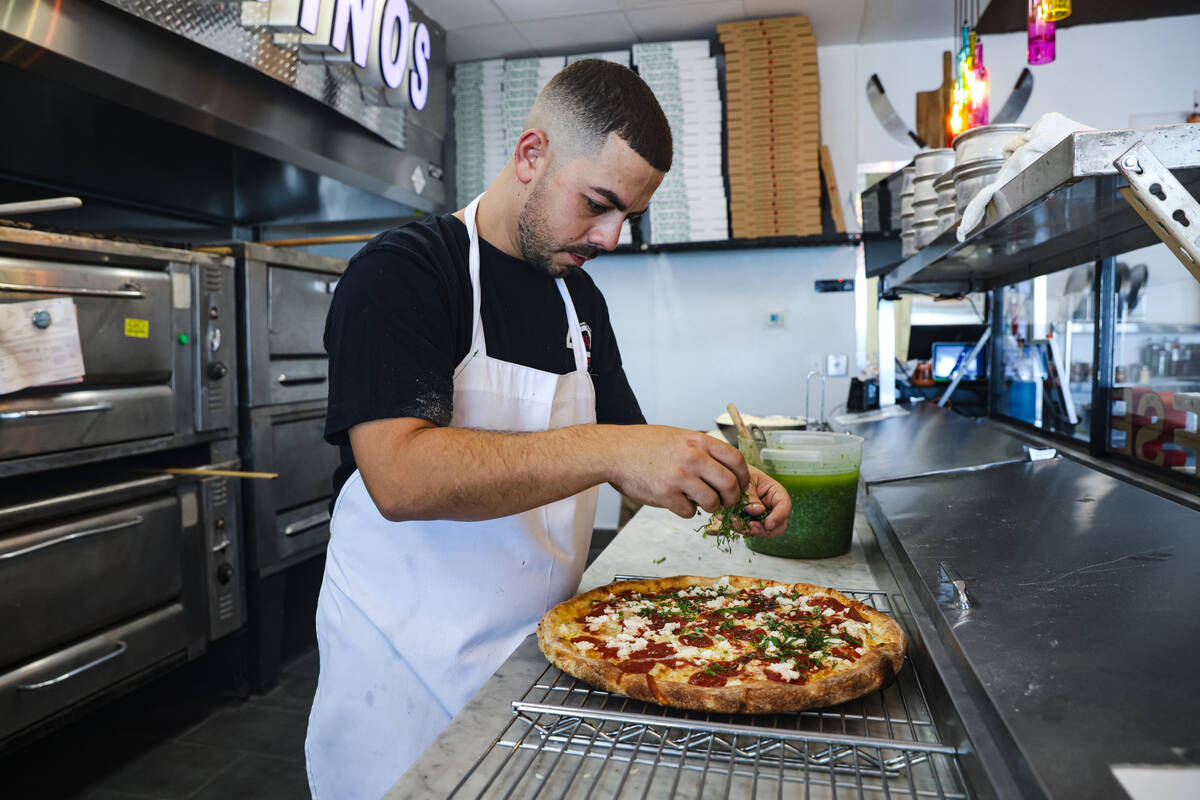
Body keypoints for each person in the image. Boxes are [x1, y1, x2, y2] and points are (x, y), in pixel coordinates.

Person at [305, 59, 792, 799]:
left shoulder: (580, 302)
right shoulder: (403, 272)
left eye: (628, 215)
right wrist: (615, 449)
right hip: (401, 679)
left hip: (545, 658)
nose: (613, 236)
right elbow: (399, 478)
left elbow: (634, 453)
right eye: (598, 203)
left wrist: (722, 478)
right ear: (532, 155)